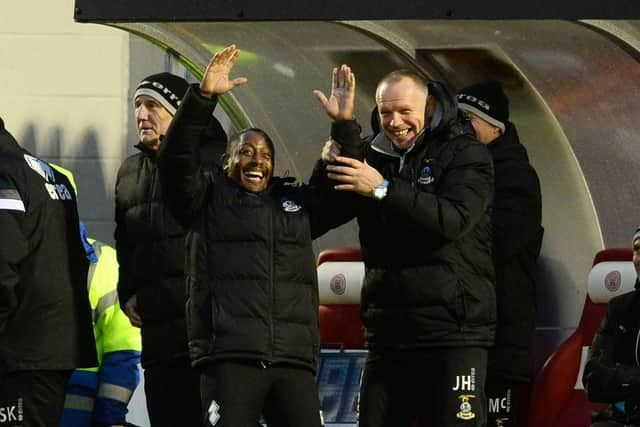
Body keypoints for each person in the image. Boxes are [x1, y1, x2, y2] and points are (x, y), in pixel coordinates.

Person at [158, 44, 343, 427]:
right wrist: (203, 98)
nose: (257, 161)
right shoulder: (205, 198)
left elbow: (341, 197)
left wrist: (344, 128)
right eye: (246, 152)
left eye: (265, 155)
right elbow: (175, 162)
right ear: (226, 161)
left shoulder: (294, 204)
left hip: (292, 361)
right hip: (229, 360)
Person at [312, 66, 496, 426]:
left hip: (452, 332)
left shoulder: (465, 153)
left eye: (404, 112)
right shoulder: (371, 155)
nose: (394, 122)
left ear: (427, 106)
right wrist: (337, 144)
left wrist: (383, 189)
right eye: (385, 113)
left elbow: (454, 219)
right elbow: (317, 216)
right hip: (389, 334)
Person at [114, 72, 205, 426]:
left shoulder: (207, 164)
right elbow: (125, 240)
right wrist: (128, 290)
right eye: (137, 106)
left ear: (178, 112)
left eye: (152, 105)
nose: (141, 115)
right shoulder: (129, 172)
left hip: (203, 339)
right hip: (157, 339)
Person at [457, 80, 543, 427]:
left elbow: (500, 242)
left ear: (495, 127)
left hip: (501, 337)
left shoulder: (516, 177)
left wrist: (449, 224)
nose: (460, 130)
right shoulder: (457, 172)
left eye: (469, 120)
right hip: (462, 336)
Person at [0, 117, 97, 426]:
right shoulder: (47, 173)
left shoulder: (5, 173)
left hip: (20, 348)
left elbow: (3, 262)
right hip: (51, 346)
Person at [51, 165, 142, 427]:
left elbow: (123, 349)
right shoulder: (18, 256)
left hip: (80, 406)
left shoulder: (104, 264)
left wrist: (109, 416)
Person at [582, 228, 640, 427]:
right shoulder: (619, 308)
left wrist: (619, 376)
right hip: (620, 420)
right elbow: (592, 379)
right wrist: (635, 379)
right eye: (638, 249)